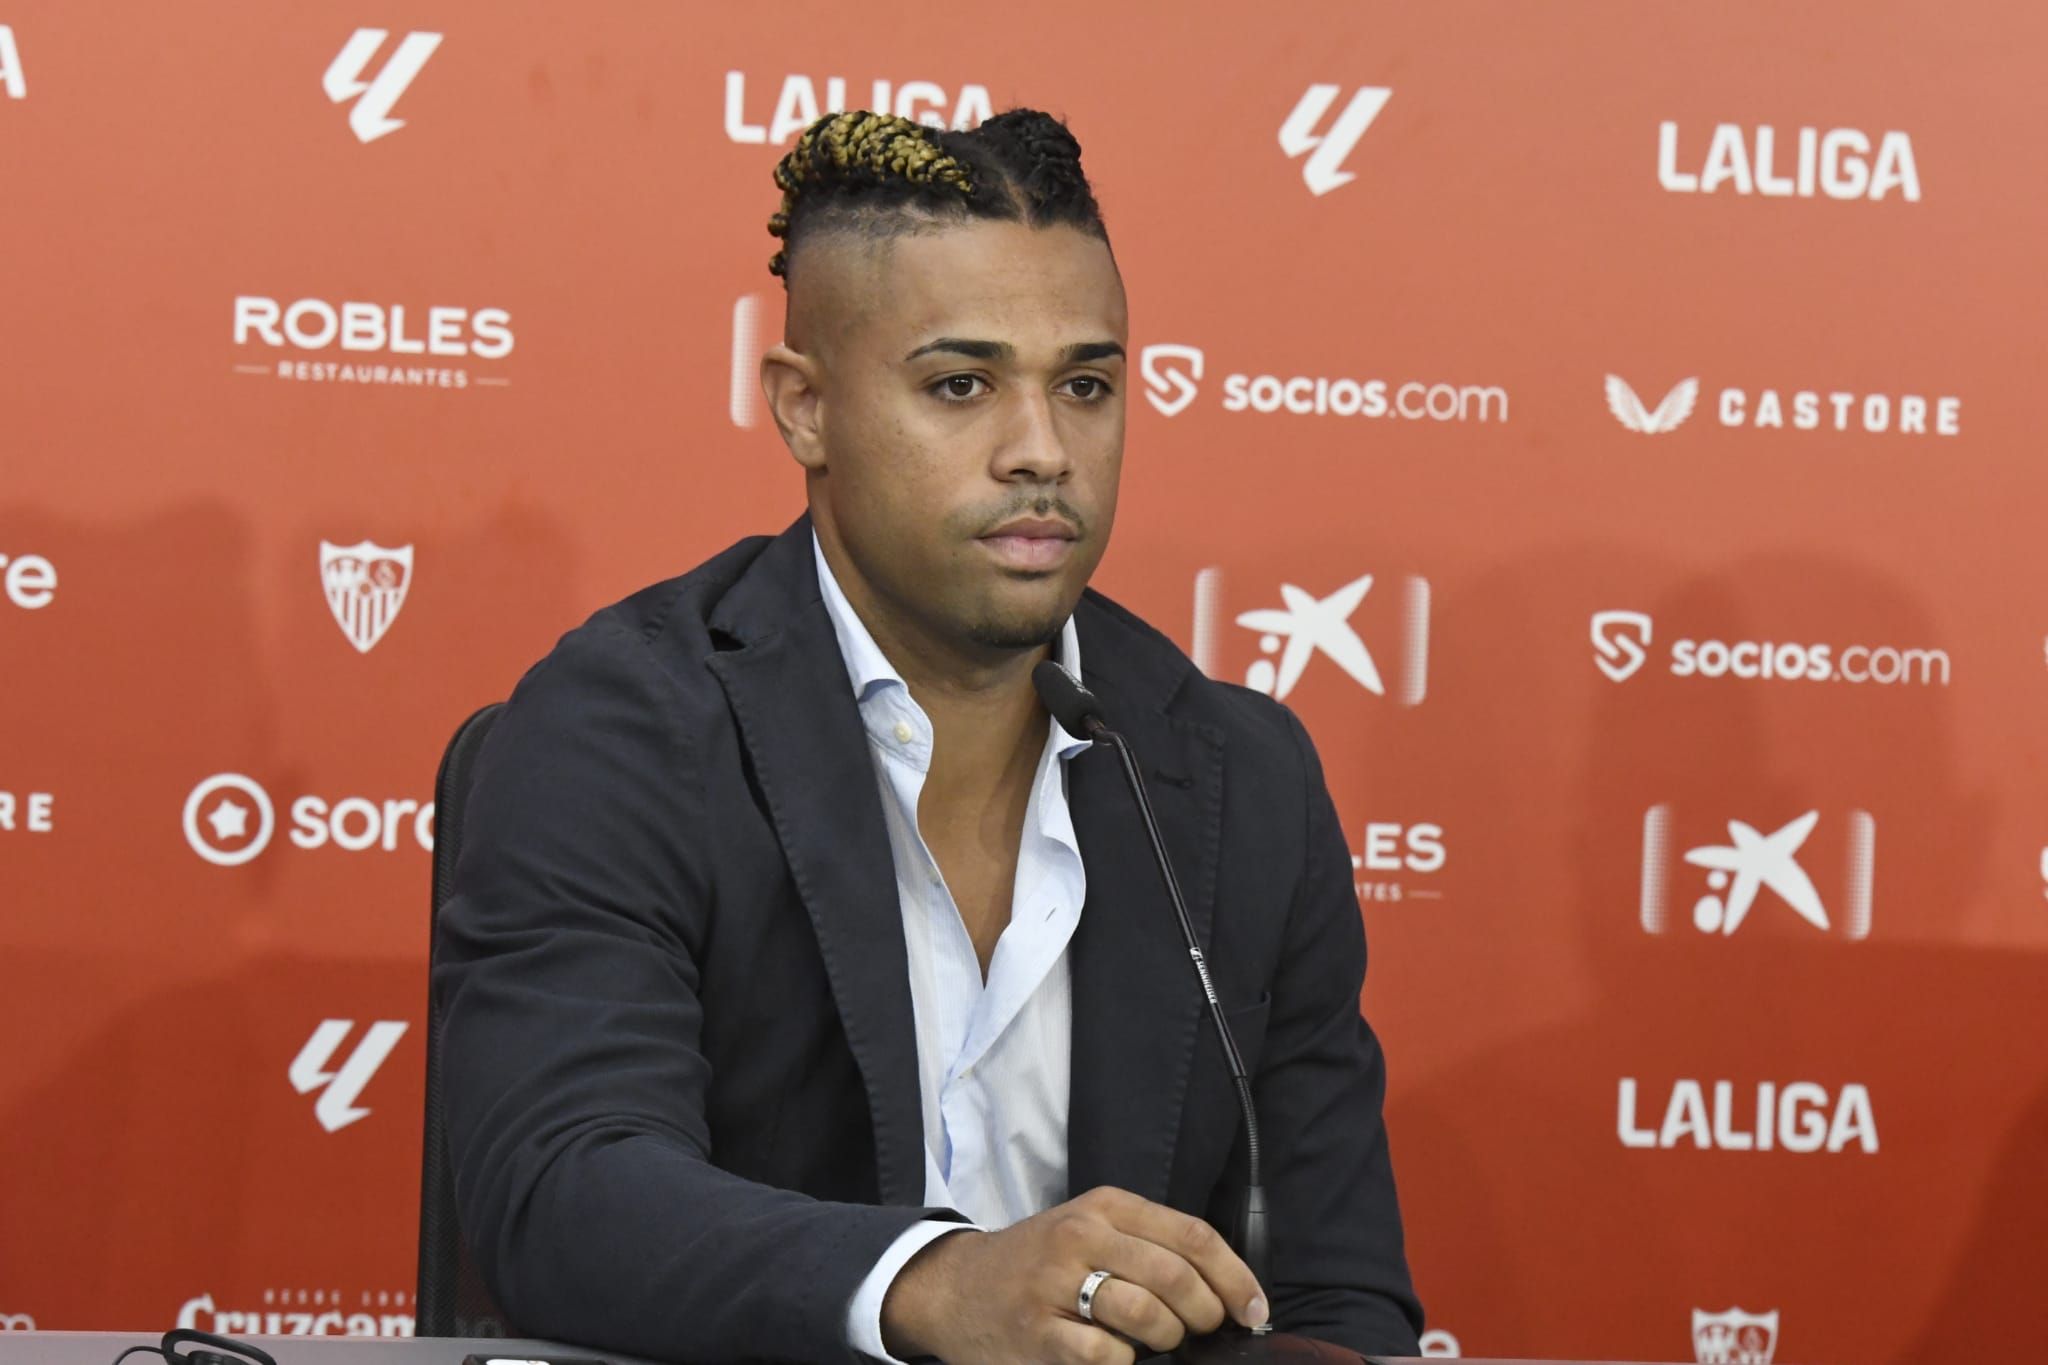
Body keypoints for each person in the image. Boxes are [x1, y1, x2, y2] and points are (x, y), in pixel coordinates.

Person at [436, 107, 1423, 1365]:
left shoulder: (1241, 775)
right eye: (960, 385)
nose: (1041, 453)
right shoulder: (623, 726)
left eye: (1085, 385)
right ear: (804, 410)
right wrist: (935, 1282)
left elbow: (1341, 1304)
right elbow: (560, 1194)